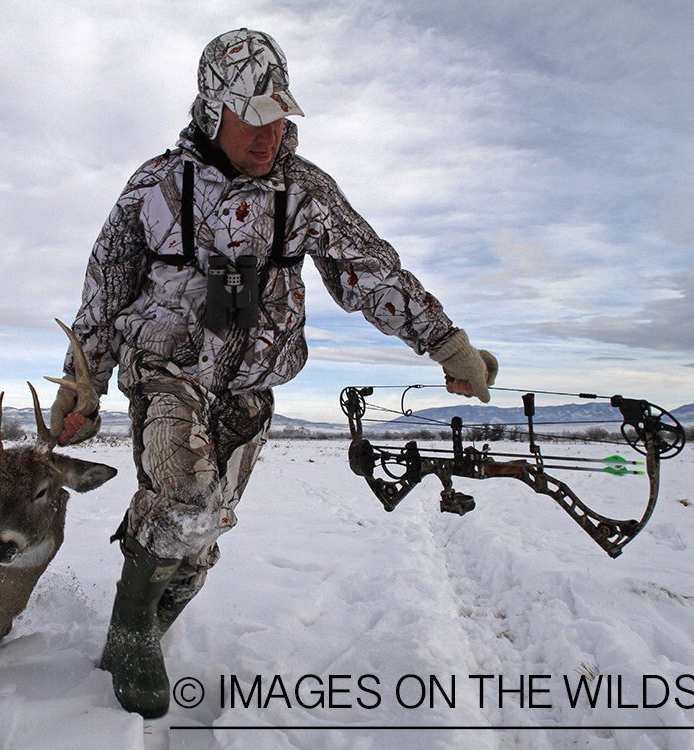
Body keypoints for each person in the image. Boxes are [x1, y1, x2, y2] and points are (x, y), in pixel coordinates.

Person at [50, 28, 498, 719]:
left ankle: (152, 617)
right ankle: (129, 627)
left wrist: (444, 345)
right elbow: (105, 293)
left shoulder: (305, 191)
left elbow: (369, 273)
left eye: (279, 113)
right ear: (210, 110)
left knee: (203, 537)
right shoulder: (154, 187)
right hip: (165, 365)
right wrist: (82, 386)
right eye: (252, 116)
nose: (269, 133)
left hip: (251, 386)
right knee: (187, 497)